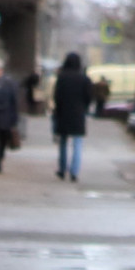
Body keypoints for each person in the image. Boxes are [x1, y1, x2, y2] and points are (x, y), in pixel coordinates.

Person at [50, 52, 95, 182]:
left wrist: (58, 110)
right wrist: (84, 109)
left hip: (63, 113)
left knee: (63, 143)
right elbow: (88, 97)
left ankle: (62, 169)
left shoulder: (62, 77)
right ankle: (74, 171)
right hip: (78, 114)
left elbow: (57, 96)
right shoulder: (84, 79)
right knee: (77, 144)